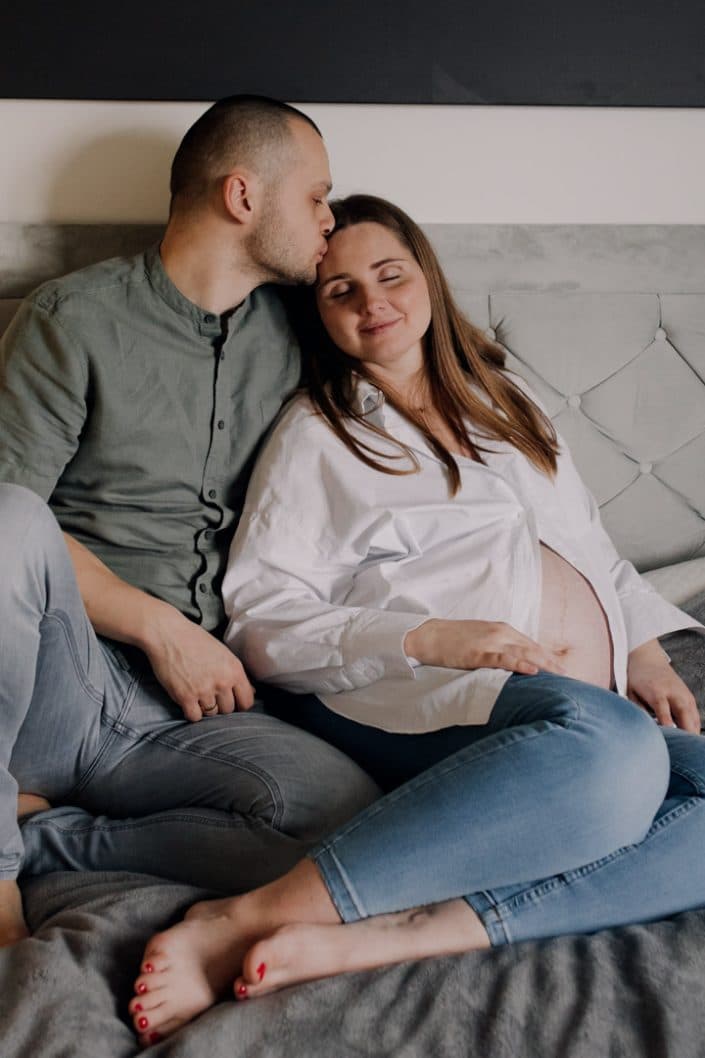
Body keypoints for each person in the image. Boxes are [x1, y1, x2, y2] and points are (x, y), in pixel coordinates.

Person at [127, 194, 705, 1046]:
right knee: (613, 751)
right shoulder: (319, 436)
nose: (372, 303)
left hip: (575, 704)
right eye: (340, 292)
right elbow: (262, 618)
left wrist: (647, 648)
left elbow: (593, 549)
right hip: (421, 696)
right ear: (318, 317)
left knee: (646, 762)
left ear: (425, 276)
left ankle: (401, 933)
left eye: (388, 275)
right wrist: (430, 637)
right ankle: (241, 917)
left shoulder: (508, 402)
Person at [0, 101, 382, 951]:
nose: (329, 220)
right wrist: (159, 627)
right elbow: (8, 532)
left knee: (345, 819)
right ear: (242, 196)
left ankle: (46, 839)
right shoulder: (73, 319)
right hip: (62, 679)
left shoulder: (302, 333)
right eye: (316, 196)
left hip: (193, 714)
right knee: (4, 516)